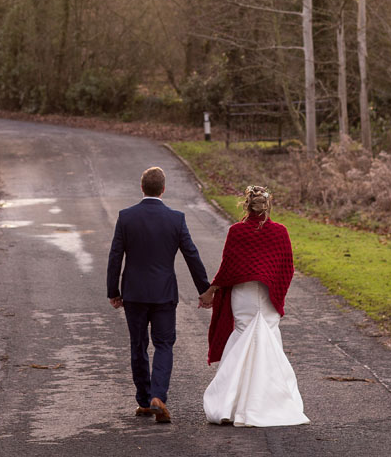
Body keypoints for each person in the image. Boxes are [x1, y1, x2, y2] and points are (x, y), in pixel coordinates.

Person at [198, 185, 309, 427]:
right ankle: (271, 401)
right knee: (268, 339)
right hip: (267, 296)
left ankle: (229, 404)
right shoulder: (280, 232)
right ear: (268, 207)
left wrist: (210, 291)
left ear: (246, 205)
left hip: (244, 295)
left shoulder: (237, 231)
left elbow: (228, 268)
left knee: (242, 338)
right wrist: (277, 292)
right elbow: (287, 269)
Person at [107, 166, 210, 424]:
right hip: (164, 294)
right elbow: (192, 255)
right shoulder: (175, 219)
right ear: (163, 189)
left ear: (142, 188)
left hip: (134, 294)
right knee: (164, 345)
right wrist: (204, 290)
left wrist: (113, 291)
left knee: (138, 345)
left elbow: (115, 256)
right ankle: (158, 397)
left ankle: (144, 400)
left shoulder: (126, 217)